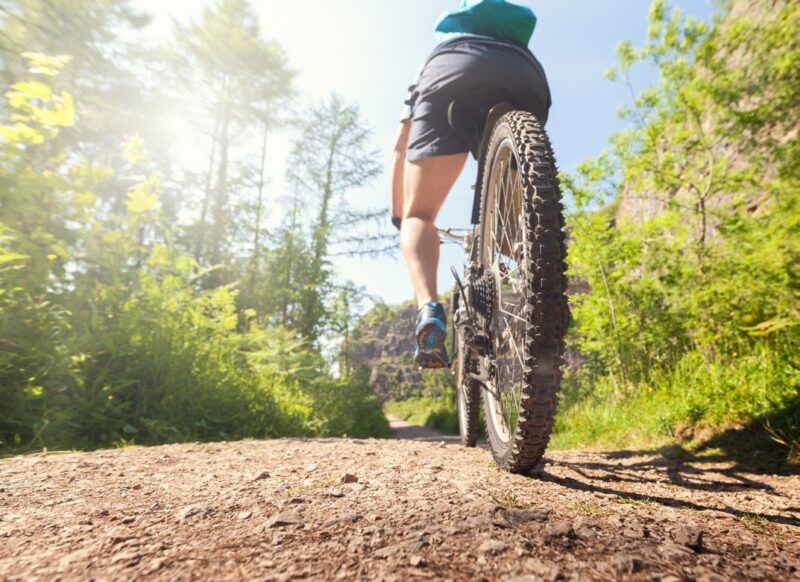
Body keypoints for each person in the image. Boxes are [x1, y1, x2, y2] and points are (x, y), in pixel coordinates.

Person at [391, 0, 551, 369]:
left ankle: (428, 308)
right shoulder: (517, 40)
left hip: (450, 70)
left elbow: (401, 143)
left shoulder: (440, 49)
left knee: (420, 213)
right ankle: (546, 291)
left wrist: (404, 217)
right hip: (524, 74)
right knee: (513, 223)